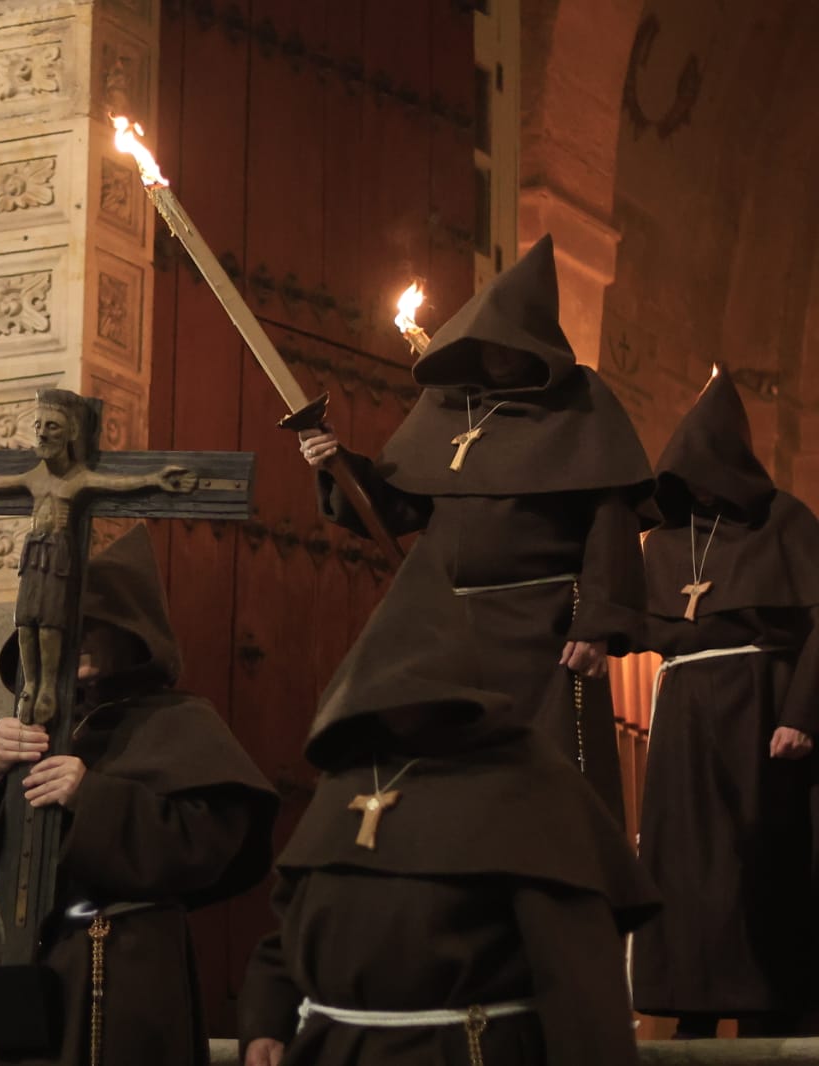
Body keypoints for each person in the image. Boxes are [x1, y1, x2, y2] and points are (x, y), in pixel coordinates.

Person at [236, 562, 658, 1066]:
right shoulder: (347, 778)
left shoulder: (525, 779)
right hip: (332, 1048)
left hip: (462, 1050)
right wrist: (265, 1018)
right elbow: (294, 931)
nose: (396, 700)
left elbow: (579, 976)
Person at [298, 235, 653, 818]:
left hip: (540, 630)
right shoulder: (447, 408)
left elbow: (611, 520)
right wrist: (339, 463)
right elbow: (396, 506)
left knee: (540, 783)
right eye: (486, 345)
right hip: (445, 627)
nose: (497, 356)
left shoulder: (583, 404)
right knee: (434, 775)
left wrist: (599, 624)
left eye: (508, 345)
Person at [0, 523, 279, 1066]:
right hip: (30, 959)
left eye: (96, 625)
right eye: (68, 628)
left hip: (123, 961)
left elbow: (212, 846)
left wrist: (90, 797)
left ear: (135, 634)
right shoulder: (38, 726)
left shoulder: (179, 722)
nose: (79, 639)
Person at [630, 370, 819, 1037]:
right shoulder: (664, 541)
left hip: (759, 711)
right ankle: (694, 1002)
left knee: (756, 860)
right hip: (683, 715)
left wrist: (801, 713)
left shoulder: (787, 523)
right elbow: (628, 622)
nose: (702, 486)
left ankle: (765, 1006)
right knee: (685, 867)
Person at [0, 391, 194, 725]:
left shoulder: (79, 479)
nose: (41, 433)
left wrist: (155, 478)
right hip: (33, 557)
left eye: (52, 426)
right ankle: (32, 685)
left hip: (57, 557)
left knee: (51, 623)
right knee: (26, 621)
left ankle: (47, 687)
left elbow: (119, 484)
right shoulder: (35, 477)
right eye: (37, 425)